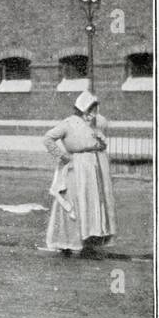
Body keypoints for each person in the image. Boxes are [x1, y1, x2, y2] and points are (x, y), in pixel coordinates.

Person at [41, 91, 116, 255]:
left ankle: (88, 243)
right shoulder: (68, 123)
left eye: (94, 110)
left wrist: (100, 141)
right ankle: (67, 242)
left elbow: (101, 144)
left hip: (94, 169)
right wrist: (62, 156)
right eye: (89, 110)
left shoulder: (97, 124)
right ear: (81, 109)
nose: (92, 115)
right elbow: (48, 138)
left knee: (92, 203)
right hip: (76, 168)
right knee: (73, 203)